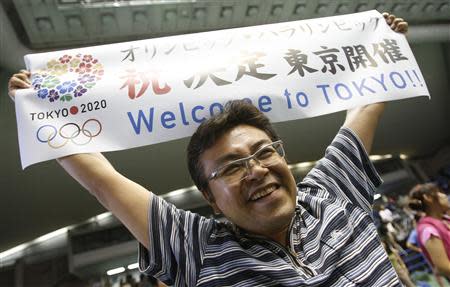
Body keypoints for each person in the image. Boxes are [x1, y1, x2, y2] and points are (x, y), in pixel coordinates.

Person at [8, 13, 408, 286]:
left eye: (264, 152)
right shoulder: (199, 249)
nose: (256, 170)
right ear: (210, 199)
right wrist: (41, 111)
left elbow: (367, 102)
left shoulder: (332, 195)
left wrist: (384, 45)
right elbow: (102, 181)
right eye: (232, 167)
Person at [409, 183, 450, 279]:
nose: (443, 195)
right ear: (428, 198)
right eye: (438, 192)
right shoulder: (428, 230)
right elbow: (444, 267)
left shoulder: (445, 220)